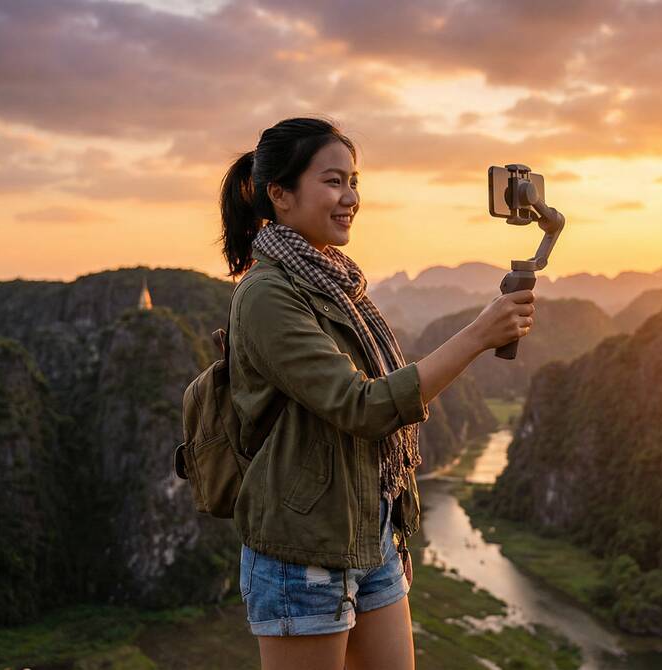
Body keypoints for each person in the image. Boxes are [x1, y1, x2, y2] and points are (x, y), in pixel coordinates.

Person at [218, 117, 536, 670]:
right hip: (303, 556)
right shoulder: (267, 295)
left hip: (373, 538)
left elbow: (379, 426)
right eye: (333, 181)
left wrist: (395, 534)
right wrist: (478, 336)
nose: (351, 198)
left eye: (354, 181)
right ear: (280, 195)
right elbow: (363, 407)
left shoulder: (340, 284)